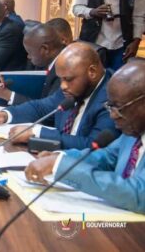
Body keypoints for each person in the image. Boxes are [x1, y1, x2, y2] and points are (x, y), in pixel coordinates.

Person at [25, 60, 145, 214]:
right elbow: (106, 157)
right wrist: (60, 158)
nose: (113, 115)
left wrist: (61, 167)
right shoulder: (134, 131)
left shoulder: (133, 126)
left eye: (119, 107)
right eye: (110, 106)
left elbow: (139, 195)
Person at [0, 42, 119, 150]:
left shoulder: (113, 98)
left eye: (68, 79)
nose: (63, 86)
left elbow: (93, 145)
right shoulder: (73, 87)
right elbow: (41, 108)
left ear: (92, 72)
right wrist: (5, 115)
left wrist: (37, 133)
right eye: (61, 79)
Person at [0, 23, 65, 105]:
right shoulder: (44, 62)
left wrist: (7, 94)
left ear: (45, 49)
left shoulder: (63, 72)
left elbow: (46, 109)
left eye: (30, 52)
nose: (28, 57)